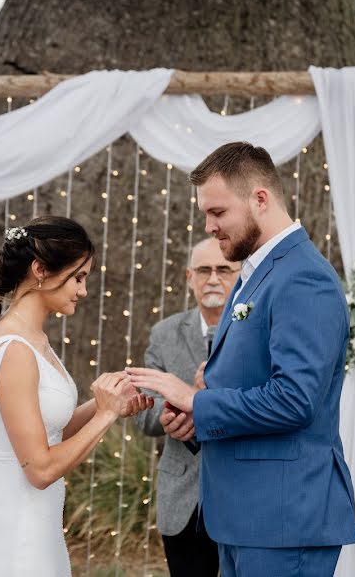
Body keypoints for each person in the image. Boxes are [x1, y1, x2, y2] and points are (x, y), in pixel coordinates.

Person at [127, 143, 355, 576]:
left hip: (282, 519)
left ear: (260, 198)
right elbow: (248, 381)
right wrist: (195, 419)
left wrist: (197, 401)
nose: (209, 226)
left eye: (217, 212)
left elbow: (294, 399)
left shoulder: (302, 277)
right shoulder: (257, 273)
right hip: (245, 518)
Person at [0, 216, 152, 577]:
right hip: (12, 533)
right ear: (40, 269)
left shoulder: (34, 340)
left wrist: (107, 403)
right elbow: (40, 469)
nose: (83, 290)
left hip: (35, 522)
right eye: (78, 277)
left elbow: (50, 430)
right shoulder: (14, 348)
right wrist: (104, 417)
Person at [134, 237, 240, 577]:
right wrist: (172, 413)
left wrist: (208, 400)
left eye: (223, 269)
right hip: (183, 500)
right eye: (204, 270)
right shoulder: (164, 333)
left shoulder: (255, 331)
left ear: (240, 275)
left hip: (243, 493)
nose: (213, 279)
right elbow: (143, 411)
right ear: (188, 277)